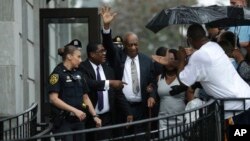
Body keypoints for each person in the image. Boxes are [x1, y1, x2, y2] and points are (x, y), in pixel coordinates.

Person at [153, 23, 250, 122]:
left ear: (190, 40)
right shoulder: (214, 46)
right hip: (244, 98)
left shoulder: (200, 55)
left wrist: (181, 57)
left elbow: (182, 80)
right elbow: (195, 67)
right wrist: (173, 62)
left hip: (236, 107)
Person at [100, 6, 156, 140]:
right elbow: (108, 45)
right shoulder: (118, 57)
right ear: (124, 45)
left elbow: (152, 81)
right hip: (122, 108)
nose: (133, 47)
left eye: (135, 44)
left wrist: (152, 94)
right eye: (130, 45)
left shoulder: (146, 61)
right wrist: (106, 27)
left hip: (141, 109)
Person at [79, 42, 133, 140]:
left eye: (105, 51)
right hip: (89, 118)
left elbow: (118, 94)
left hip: (107, 118)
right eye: (101, 51)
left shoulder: (108, 70)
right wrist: (110, 83)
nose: (104, 53)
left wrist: (128, 112)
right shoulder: (82, 67)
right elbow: (89, 83)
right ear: (92, 54)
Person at [48, 44, 101, 141]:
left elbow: (85, 97)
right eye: (78, 57)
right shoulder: (57, 74)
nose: (81, 60)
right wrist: (74, 110)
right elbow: (53, 99)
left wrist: (94, 115)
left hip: (79, 121)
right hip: (64, 121)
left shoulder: (79, 74)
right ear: (69, 56)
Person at [156, 48, 186, 140]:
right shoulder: (159, 77)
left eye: (173, 59)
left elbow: (190, 100)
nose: (170, 63)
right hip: (163, 119)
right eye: (168, 60)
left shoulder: (183, 77)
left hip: (180, 119)